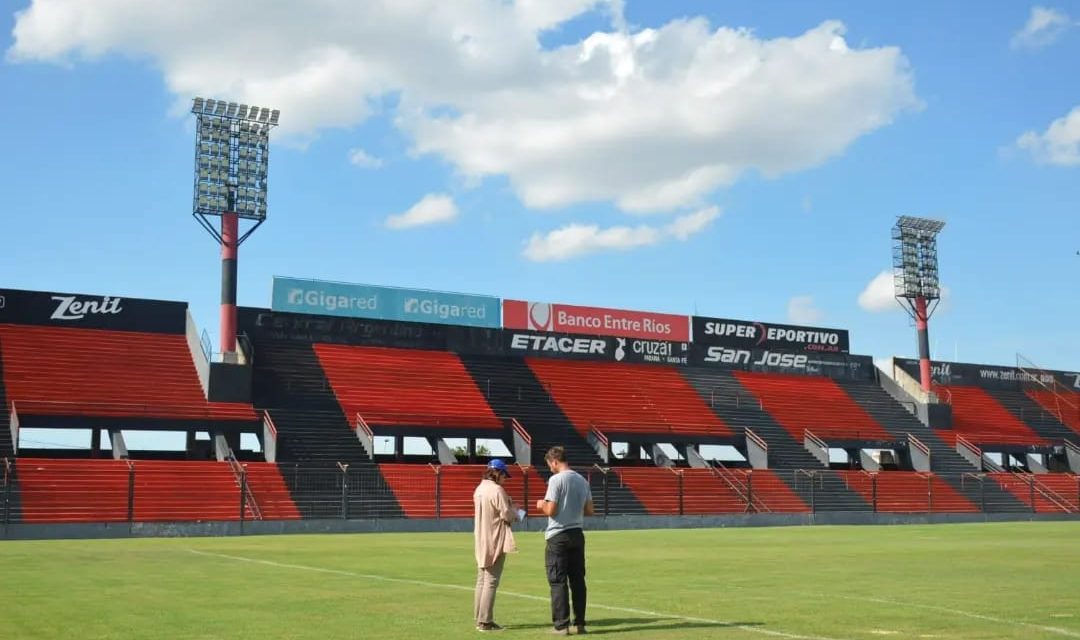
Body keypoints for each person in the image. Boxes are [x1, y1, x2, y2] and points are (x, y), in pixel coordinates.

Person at [535, 446, 594, 635]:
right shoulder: (582, 480)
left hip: (558, 535)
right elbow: (590, 510)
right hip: (577, 533)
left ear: (554, 461)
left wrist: (540, 505)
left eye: (549, 465)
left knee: (558, 580)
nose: (550, 468)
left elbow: (551, 510)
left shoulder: (556, 480)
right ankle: (580, 623)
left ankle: (561, 625)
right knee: (578, 580)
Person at [473, 458, 520, 632]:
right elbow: (506, 515)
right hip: (495, 538)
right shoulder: (497, 490)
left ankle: (479, 618)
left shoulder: (479, 489)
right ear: (498, 473)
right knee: (491, 582)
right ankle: (485, 621)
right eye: (504, 476)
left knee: (481, 581)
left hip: (481, 538)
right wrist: (516, 512)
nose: (505, 479)